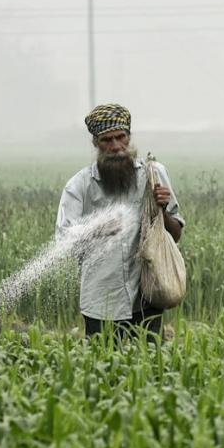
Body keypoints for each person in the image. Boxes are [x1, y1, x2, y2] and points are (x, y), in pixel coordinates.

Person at [56, 103, 185, 341]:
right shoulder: (80, 186)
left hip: (147, 294)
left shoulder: (153, 175)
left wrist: (163, 210)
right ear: (95, 143)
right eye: (106, 140)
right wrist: (99, 228)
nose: (115, 147)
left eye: (120, 137)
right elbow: (64, 238)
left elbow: (175, 235)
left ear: (129, 137)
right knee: (101, 366)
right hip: (100, 299)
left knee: (149, 365)